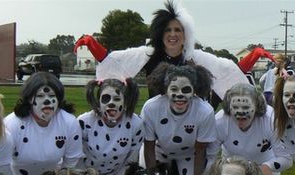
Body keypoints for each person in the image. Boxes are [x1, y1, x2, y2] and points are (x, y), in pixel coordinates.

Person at [75, 0, 248, 102]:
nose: (173, 34)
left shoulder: (195, 58)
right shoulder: (148, 55)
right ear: (160, 33)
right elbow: (117, 63)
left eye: (178, 30)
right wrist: (93, 46)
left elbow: (225, 71)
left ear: (186, 34)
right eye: (167, 30)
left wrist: (251, 58)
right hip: (156, 124)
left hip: (189, 124)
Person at [5, 72, 84, 175]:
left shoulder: (69, 122)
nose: (47, 101)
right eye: (40, 96)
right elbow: (2, 161)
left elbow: (71, 161)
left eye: (52, 96)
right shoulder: (13, 124)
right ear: (30, 99)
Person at [79, 77, 144, 175]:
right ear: (98, 101)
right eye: (106, 99)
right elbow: (76, 158)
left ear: (125, 102)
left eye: (116, 98)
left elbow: (131, 160)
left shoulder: (136, 124)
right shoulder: (84, 122)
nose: (111, 103)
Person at [213, 82, 292, 175]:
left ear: (257, 106)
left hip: (264, 171)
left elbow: (286, 159)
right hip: (231, 171)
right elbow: (210, 156)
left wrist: (267, 167)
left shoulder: (271, 120)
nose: (240, 112)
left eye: (246, 107)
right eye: (235, 107)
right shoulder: (220, 121)